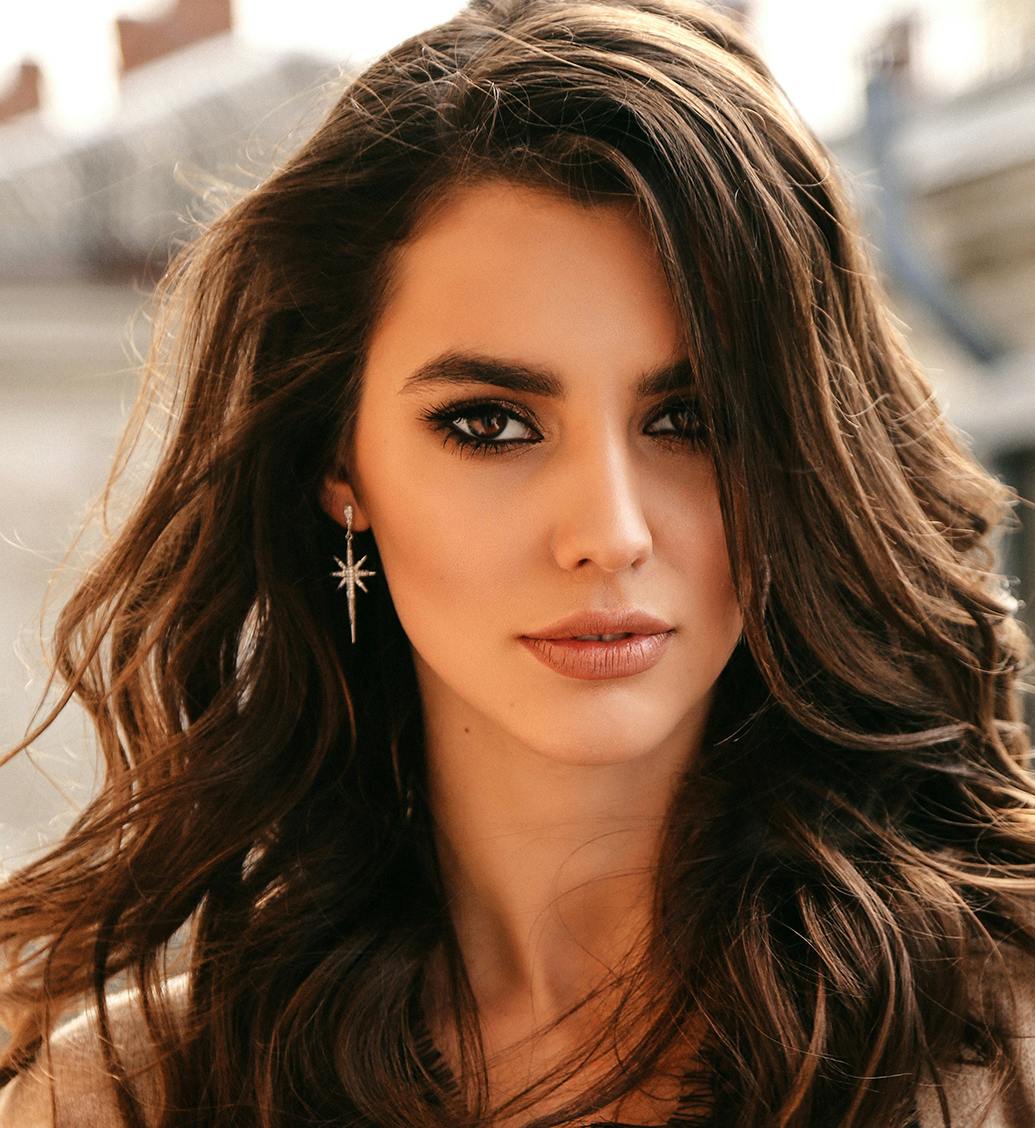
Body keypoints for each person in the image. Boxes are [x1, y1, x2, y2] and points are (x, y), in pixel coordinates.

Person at [1, 0, 1034, 1124]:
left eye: (692, 419)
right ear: (338, 463)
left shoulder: (1006, 1048)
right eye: (490, 423)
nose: (611, 531)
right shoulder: (131, 1095)